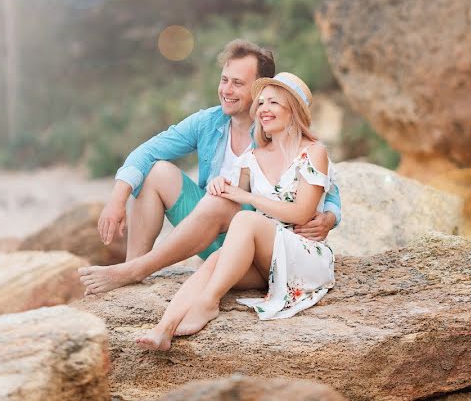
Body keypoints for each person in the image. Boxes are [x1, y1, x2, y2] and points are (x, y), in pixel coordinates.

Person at [78, 41, 342, 295]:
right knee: (156, 171)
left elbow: (323, 182)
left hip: (255, 242)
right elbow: (147, 152)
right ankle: (130, 271)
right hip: (204, 229)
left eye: (238, 83)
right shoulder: (207, 122)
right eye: (224, 80)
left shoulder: (277, 127)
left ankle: (135, 270)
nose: (227, 90)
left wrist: (329, 217)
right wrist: (117, 199)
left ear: (260, 91)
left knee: (220, 202)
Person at [135, 72, 335, 351]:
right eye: (261, 103)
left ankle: (208, 302)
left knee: (245, 219)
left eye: (274, 103)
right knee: (216, 259)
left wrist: (246, 196)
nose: (264, 109)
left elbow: (302, 213)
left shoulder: (313, 152)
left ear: (294, 111)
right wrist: (220, 184)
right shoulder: (252, 158)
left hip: (302, 254)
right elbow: (234, 197)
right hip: (267, 261)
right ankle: (162, 329)